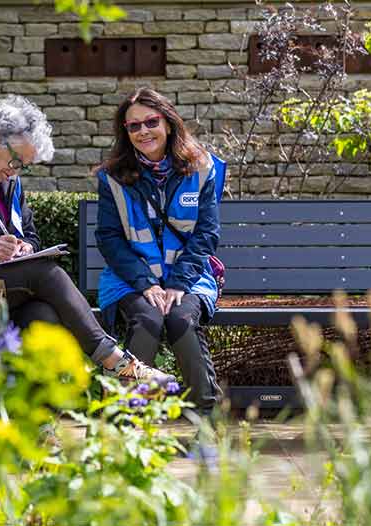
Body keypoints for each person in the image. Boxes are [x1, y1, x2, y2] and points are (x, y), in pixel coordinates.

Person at [0, 94, 171, 383]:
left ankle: (36, 410)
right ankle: (116, 362)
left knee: (43, 316)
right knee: (44, 273)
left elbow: (30, 235)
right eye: (15, 161)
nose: (14, 172)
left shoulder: (6, 181)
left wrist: (26, 247)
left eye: (22, 166)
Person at [94, 87, 226, 413]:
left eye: (151, 122)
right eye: (134, 126)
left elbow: (206, 234)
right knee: (147, 320)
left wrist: (178, 283)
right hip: (131, 280)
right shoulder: (112, 177)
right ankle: (126, 420)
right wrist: (146, 283)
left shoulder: (202, 168)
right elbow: (109, 238)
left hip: (189, 278)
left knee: (182, 320)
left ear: (168, 123)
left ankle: (206, 420)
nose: (143, 131)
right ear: (126, 132)